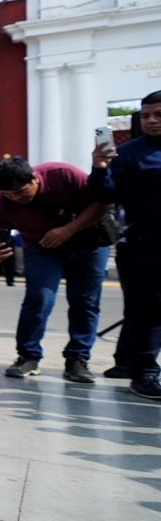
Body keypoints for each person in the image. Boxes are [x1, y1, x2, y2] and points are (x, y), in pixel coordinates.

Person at [0, 157, 112, 383]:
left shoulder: (63, 174)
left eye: (20, 192)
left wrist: (69, 230)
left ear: (34, 178)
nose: (15, 198)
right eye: (8, 194)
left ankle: (77, 360)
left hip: (88, 243)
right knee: (39, 298)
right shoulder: (2, 204)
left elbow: (104, 204)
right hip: (42, 249)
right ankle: (28, 356)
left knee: (85, 301)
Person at [91, 92, 161, 400]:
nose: (151, 121)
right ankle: (143, 371)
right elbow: (105, 195)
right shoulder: (130, 153)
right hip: (141, 244)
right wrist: (100, 167)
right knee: (146, 307)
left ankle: (131, 363)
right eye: (145, 116)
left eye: (157, 114)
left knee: (146, 309)